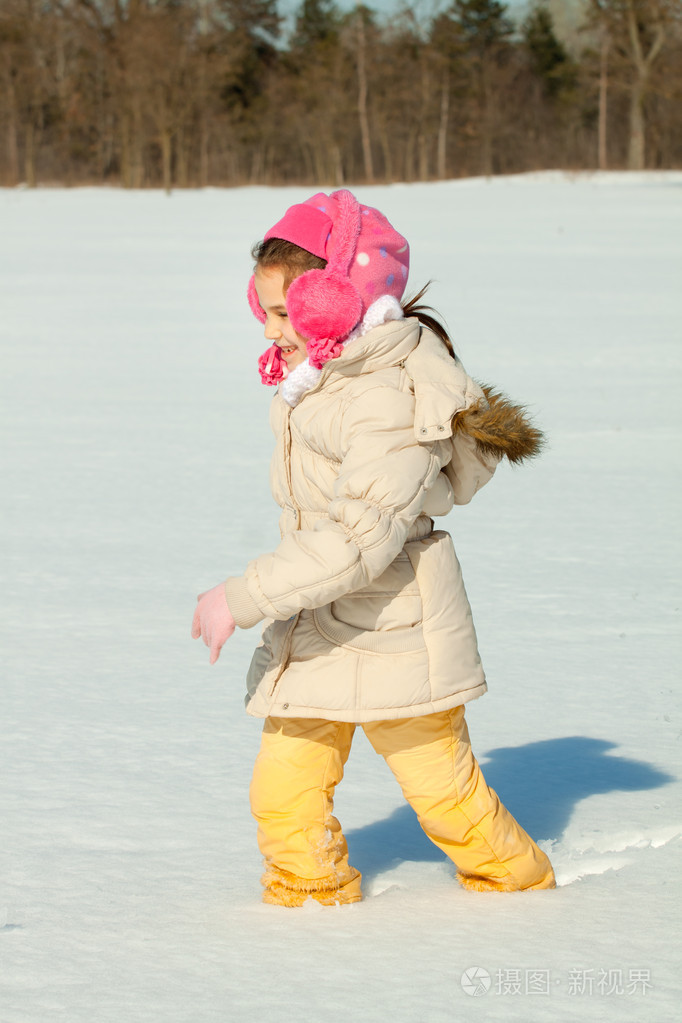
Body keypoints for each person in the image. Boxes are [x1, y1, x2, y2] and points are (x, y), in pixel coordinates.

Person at [192, 189, 556, 907]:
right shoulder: (325, 381)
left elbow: (360, 540)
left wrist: (240, 597)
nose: (269, 330)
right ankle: (308, 907)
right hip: (321, 627)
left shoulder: (384, 399)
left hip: (398, 635)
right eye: (262, 308)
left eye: (284, 312)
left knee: (447, 800)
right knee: (282, 795)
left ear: (340, 301)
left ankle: (523, 891)